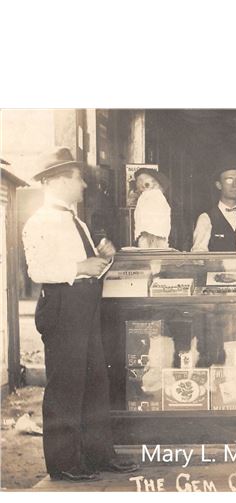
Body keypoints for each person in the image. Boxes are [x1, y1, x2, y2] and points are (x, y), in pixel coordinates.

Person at [22, 147, 139, 481]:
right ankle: (65, 463)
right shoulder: (39, 222)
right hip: (62, 307)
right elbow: (38, 270)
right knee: (67, 385)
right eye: (78, 179)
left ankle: (98, 454)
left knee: (95, 382)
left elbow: (91, 268)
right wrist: (81, 265)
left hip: (86, 305)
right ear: (58, 180)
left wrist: (104, 257)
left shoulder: (78, 222)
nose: (84, 186)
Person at [191, 153, 236, 251]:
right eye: (229, 180)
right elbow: (199, 255)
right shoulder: (206, 218)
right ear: (219, 185)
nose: (234, 185)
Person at [133, 167, 171, 248]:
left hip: (159, 233)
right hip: (145, 234)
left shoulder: (158, 197)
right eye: (140, 181)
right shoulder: (143, 198)